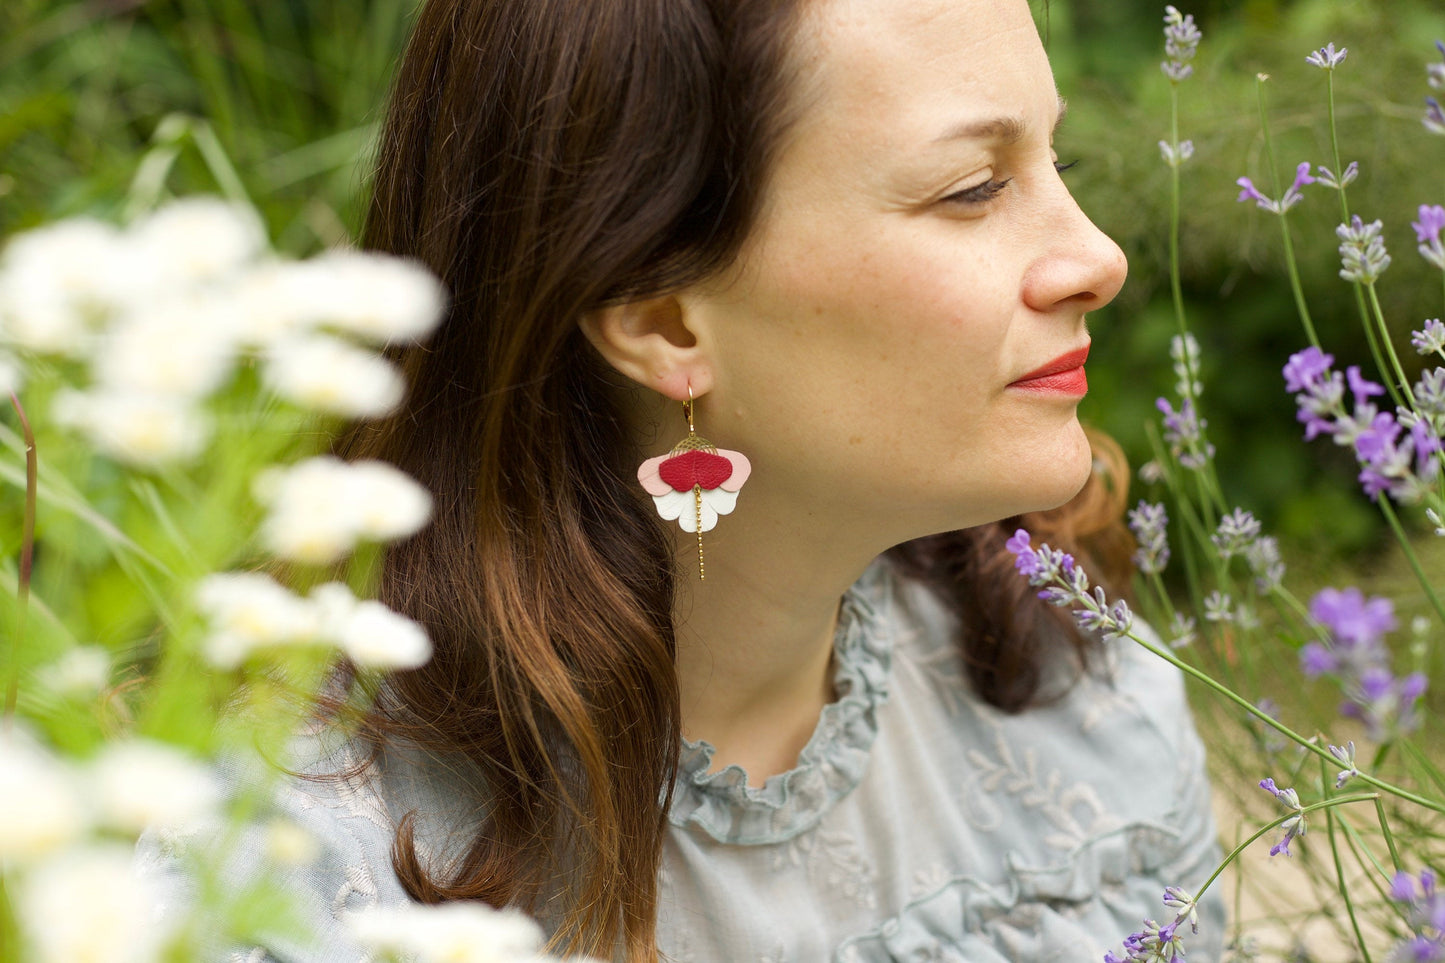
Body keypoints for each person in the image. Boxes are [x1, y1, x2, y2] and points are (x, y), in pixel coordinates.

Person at [144, 0, 1225, 959]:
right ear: (660, 320)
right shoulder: (278, 869)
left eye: (1054, 165)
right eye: (972, 188)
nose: (1097, 256)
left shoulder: (1068, 686)